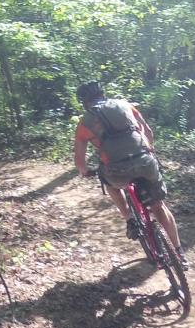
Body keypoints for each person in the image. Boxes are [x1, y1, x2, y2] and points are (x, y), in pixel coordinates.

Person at [73, 81, 186, 268]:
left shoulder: (84, 123)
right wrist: (149, 151)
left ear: (84, 102)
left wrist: (84, 171)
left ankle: (130, 219)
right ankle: (179, 252)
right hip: (145, 162)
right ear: (103, 94)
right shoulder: (125, 105)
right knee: (159, 206)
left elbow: (79, 158)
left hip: (116, 171)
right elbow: (147, 132)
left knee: (109, 184)